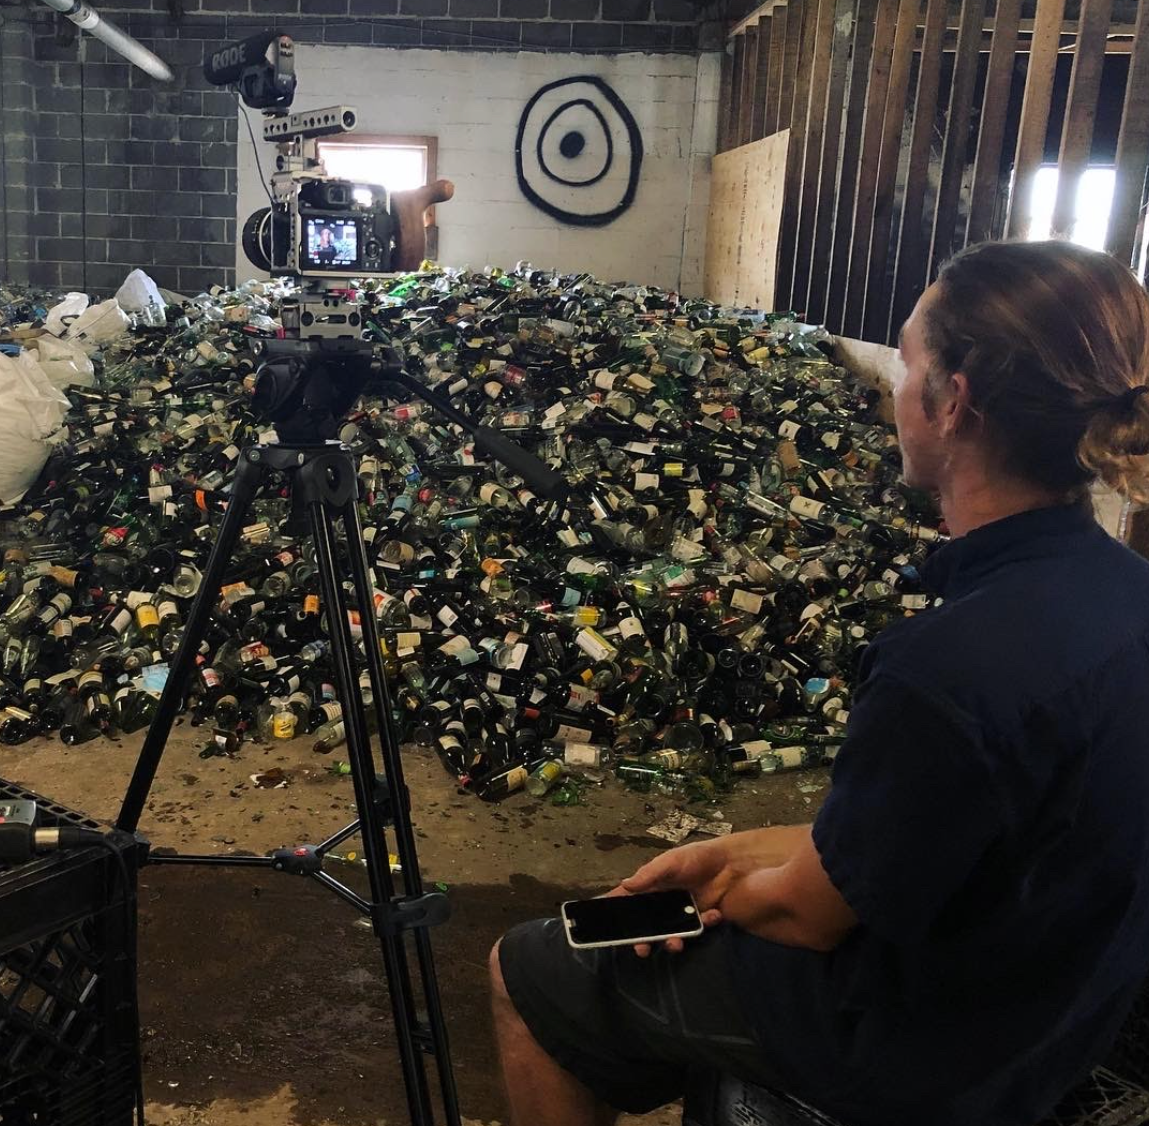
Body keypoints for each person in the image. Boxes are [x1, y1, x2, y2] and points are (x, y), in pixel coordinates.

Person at [491, 239, 1149, 1126]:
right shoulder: (1123, 597)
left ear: (953, 402)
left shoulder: (947, 668)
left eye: (908, 361)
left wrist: (705, 900)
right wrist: (727, 852)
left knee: (530, 970)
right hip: (1056, 1002)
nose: (893, 393)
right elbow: (948, 825)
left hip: (930, 1046)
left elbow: (808, 917)